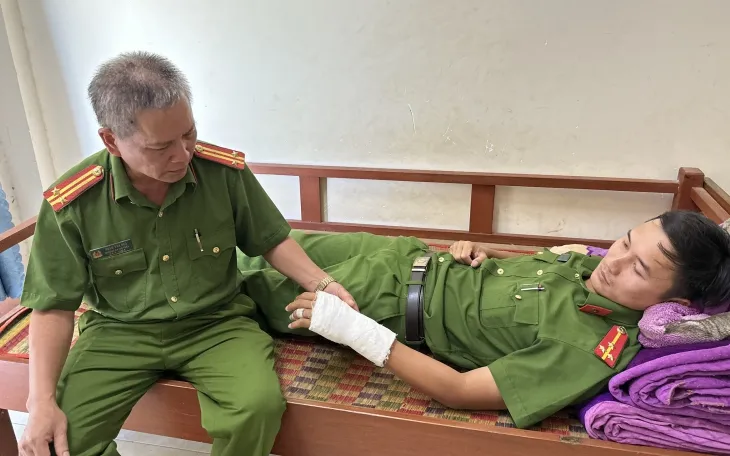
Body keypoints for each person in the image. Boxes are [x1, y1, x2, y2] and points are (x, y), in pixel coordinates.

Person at [17, 51, 357, 456]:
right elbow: (53, 306)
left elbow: (270, 239)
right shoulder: (74, 203)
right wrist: (40, 402)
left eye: (189, 134)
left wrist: (323, 283)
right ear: (111, 141)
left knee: (257, 408)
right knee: (60, 440)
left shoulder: (222, 173)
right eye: (160, 147)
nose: (183, 154)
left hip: (216, 323)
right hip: (120, 331)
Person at [237, 210, 730, 429]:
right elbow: (533, 275)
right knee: (262, 239)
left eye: (638, 269)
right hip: (398, 253)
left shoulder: (590, 347)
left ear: (678, 302)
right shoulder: (589, 264)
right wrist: (483, 252)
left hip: (377, 300)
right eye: (624, 241)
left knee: (229, 285)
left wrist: (355, 330)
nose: (614, 262)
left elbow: (459, 390)